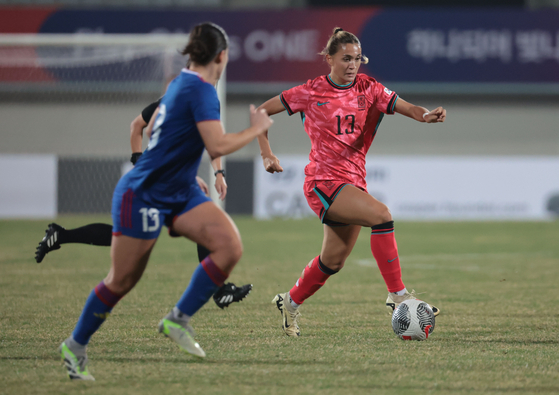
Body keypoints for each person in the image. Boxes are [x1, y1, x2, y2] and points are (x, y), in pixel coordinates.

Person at [59, 21, 273, 380]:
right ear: (221, 56)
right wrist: (256, 129)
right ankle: (75, 345)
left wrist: (185, 173)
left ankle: (178, 319)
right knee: (122, 281)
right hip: (142, 194)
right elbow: (217, 145)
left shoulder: (180, 83)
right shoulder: (202, 91)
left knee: (228, 245)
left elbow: (158, 126)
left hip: (179, 190)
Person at [257, 28, 445, 337]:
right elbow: (262, 111)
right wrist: (266, 154)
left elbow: (408, 107)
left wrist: (425, 116)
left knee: (332, 261)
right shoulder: (310, 91)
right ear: (329, 59)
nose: (352, 65)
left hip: (352, 182)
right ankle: (397, 294)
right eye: (346, 58)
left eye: (357, 59)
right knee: (382, 216)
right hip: (323, 181)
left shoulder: (369, 89)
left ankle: (289, 303)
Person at [35, 98, 251, 309]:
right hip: (160, 178)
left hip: (161, 177)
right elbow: (154, 135)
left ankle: (61, 235)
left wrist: (214, 173)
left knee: (127, 237)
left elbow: (139, 127)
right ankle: (213, 294)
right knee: (201, 227)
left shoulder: (188, 98)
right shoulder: (186, 100)